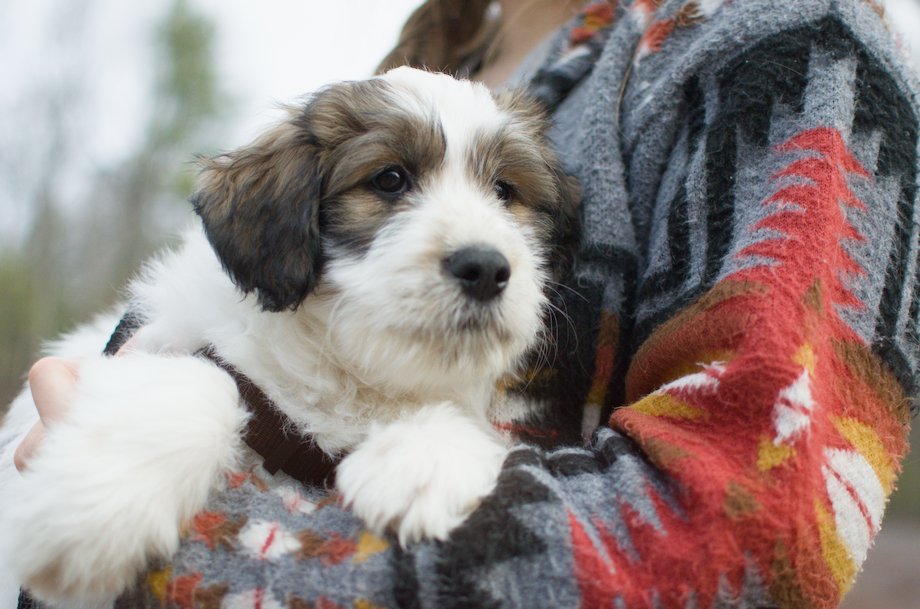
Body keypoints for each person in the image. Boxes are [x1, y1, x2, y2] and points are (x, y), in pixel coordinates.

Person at [7, 0, 919, 607]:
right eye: (391, 181)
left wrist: (195, 551)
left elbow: (753, 533)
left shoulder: (790, 35)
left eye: (509, 197)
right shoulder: (442, 52)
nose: (484, 248)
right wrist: (154, 406)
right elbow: (170, 348)